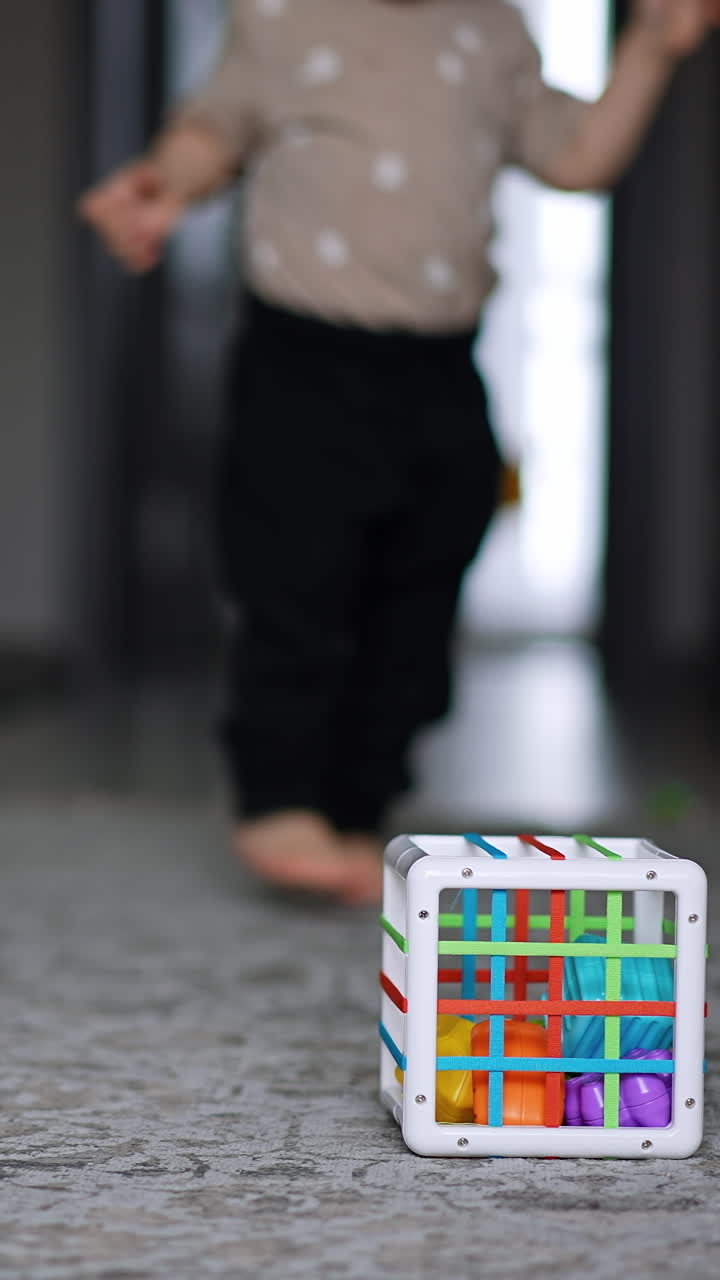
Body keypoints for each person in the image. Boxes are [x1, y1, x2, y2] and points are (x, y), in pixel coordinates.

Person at [78, 0, 719, 905]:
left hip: (440, 362)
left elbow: (577, 159)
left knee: (424, 581)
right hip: (309, 351)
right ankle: (282, 794)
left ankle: (358, 800)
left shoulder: (494, 30)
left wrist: (652, 50)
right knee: (294, 577)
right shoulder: (280, 18)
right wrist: (161, 186)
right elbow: (211, 130)